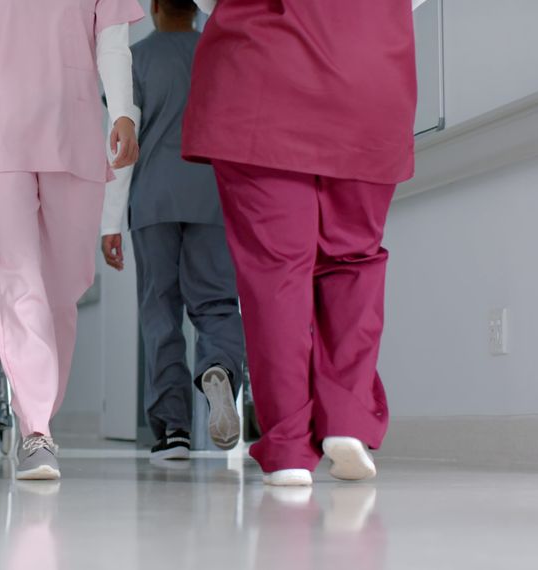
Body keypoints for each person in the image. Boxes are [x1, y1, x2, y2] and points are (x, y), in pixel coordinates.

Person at [182, 0, 422, 485]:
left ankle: (290, 445)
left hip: (260, 74)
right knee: (354, 257)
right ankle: (347, 420)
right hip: (367, 73)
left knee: (275, 272)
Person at [0, 0, 144, 480]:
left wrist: (123, 113)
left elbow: (113, 44)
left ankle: (36, 415)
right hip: (0, 133)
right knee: (18, 276)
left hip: (75, 127)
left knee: (63, 289)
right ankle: (37, 429)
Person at [100, 0, 245, 461]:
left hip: (154, 200)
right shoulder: (223, 52)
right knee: (217, 302)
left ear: (156, 7)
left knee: (160, 311)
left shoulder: (136, 60)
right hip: (212, 195)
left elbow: (123, 147)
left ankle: (173, 431)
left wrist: (110, 223)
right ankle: (218, 368)